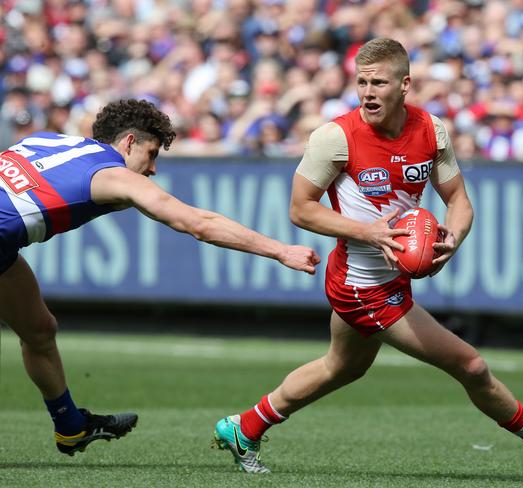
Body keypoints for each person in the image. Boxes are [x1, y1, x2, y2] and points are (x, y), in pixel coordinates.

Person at [212, 38, 523, 473]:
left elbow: (459, 202)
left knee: (341, 367)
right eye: (361, 82)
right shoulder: (335, 137)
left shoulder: (431, 131)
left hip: (384, 278)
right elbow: (300, 209)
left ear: (405, 84)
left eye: (378, 82)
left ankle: (243, 427)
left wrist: (452, 239)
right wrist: (368, 231)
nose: (367, 92)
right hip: (363, 286)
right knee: (470, 364)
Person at [0, 98, 321, 456]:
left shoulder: (46, 140)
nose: (152, 169)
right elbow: (199, 224)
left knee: (39, 330)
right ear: (129, 143)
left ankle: (71, 427)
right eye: (151, 154)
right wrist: (279, 250)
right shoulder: (113, 176)